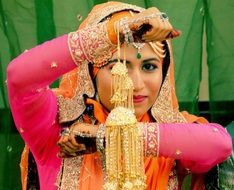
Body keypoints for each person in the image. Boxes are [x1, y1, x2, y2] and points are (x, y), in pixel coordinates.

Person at [6, 1, 232, 190]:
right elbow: (19, 75)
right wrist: (116, 31)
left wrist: (107, 137)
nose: (135, 84)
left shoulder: (169, 132)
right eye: (117, 67)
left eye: (149, 67)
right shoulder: (60, 128)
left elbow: (220, 144)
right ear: (91, 73)